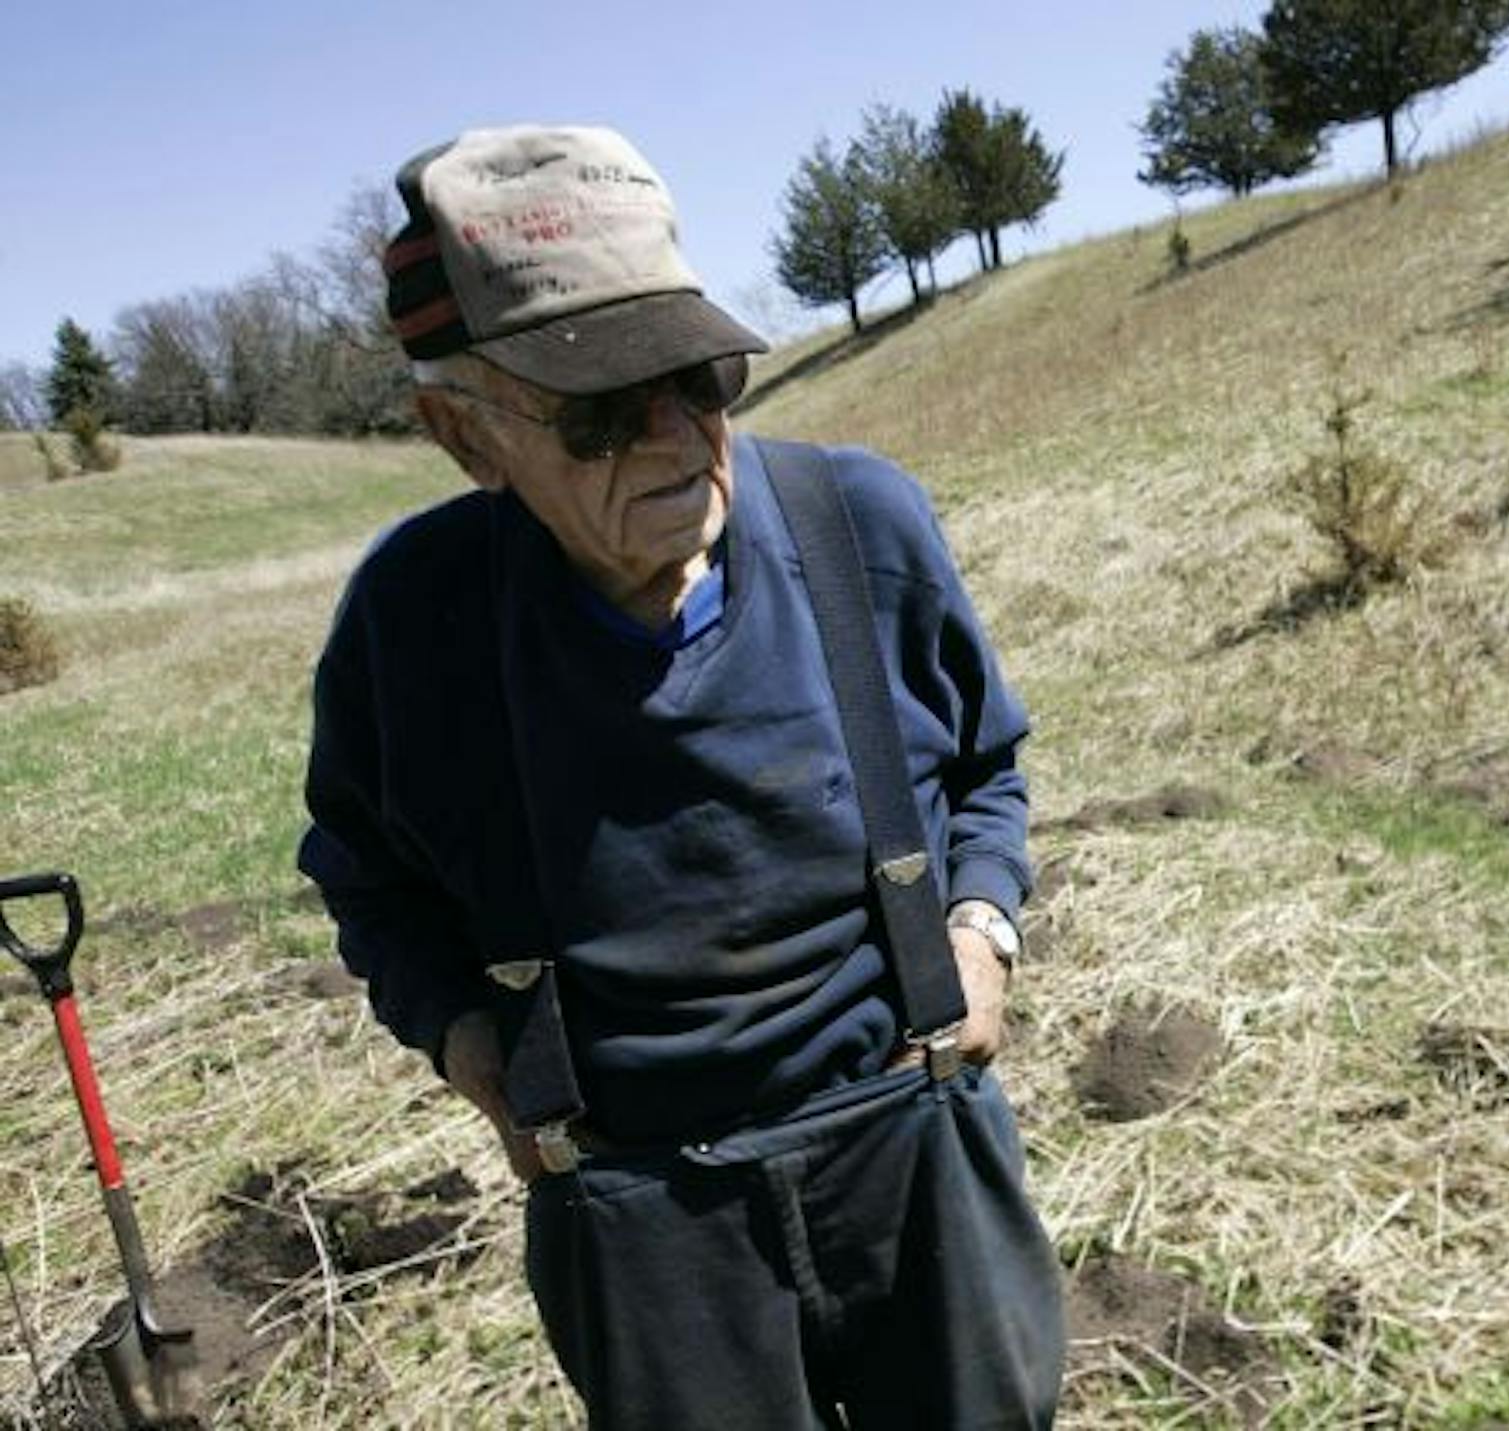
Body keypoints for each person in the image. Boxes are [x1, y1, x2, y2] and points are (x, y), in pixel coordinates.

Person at [298, 124, 1064, 1428]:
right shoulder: (413, 628)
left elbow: (987, 762)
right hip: (641, 1215)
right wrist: (462, 1035)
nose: (671, 437)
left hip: (914, 1139)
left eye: (698, 377)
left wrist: (982, 925)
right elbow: (365, 877)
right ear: (462, 435)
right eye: (598, 407)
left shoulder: (860, 528)